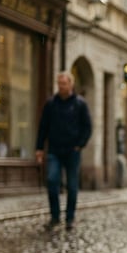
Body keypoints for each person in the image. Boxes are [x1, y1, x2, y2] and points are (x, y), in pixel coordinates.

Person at [35, 71, 92, 231]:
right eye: (59, 84)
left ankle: (70, 217)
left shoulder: (80, 104)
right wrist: (39, 148)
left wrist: (80, 145)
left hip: (72, 151)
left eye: (64, 83)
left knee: (72, 185)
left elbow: (87, 127)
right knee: (52, 180)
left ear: (71, 85)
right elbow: (43, 127)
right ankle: (54, 216)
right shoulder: (51, 104)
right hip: (54, 149)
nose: (61, 86)